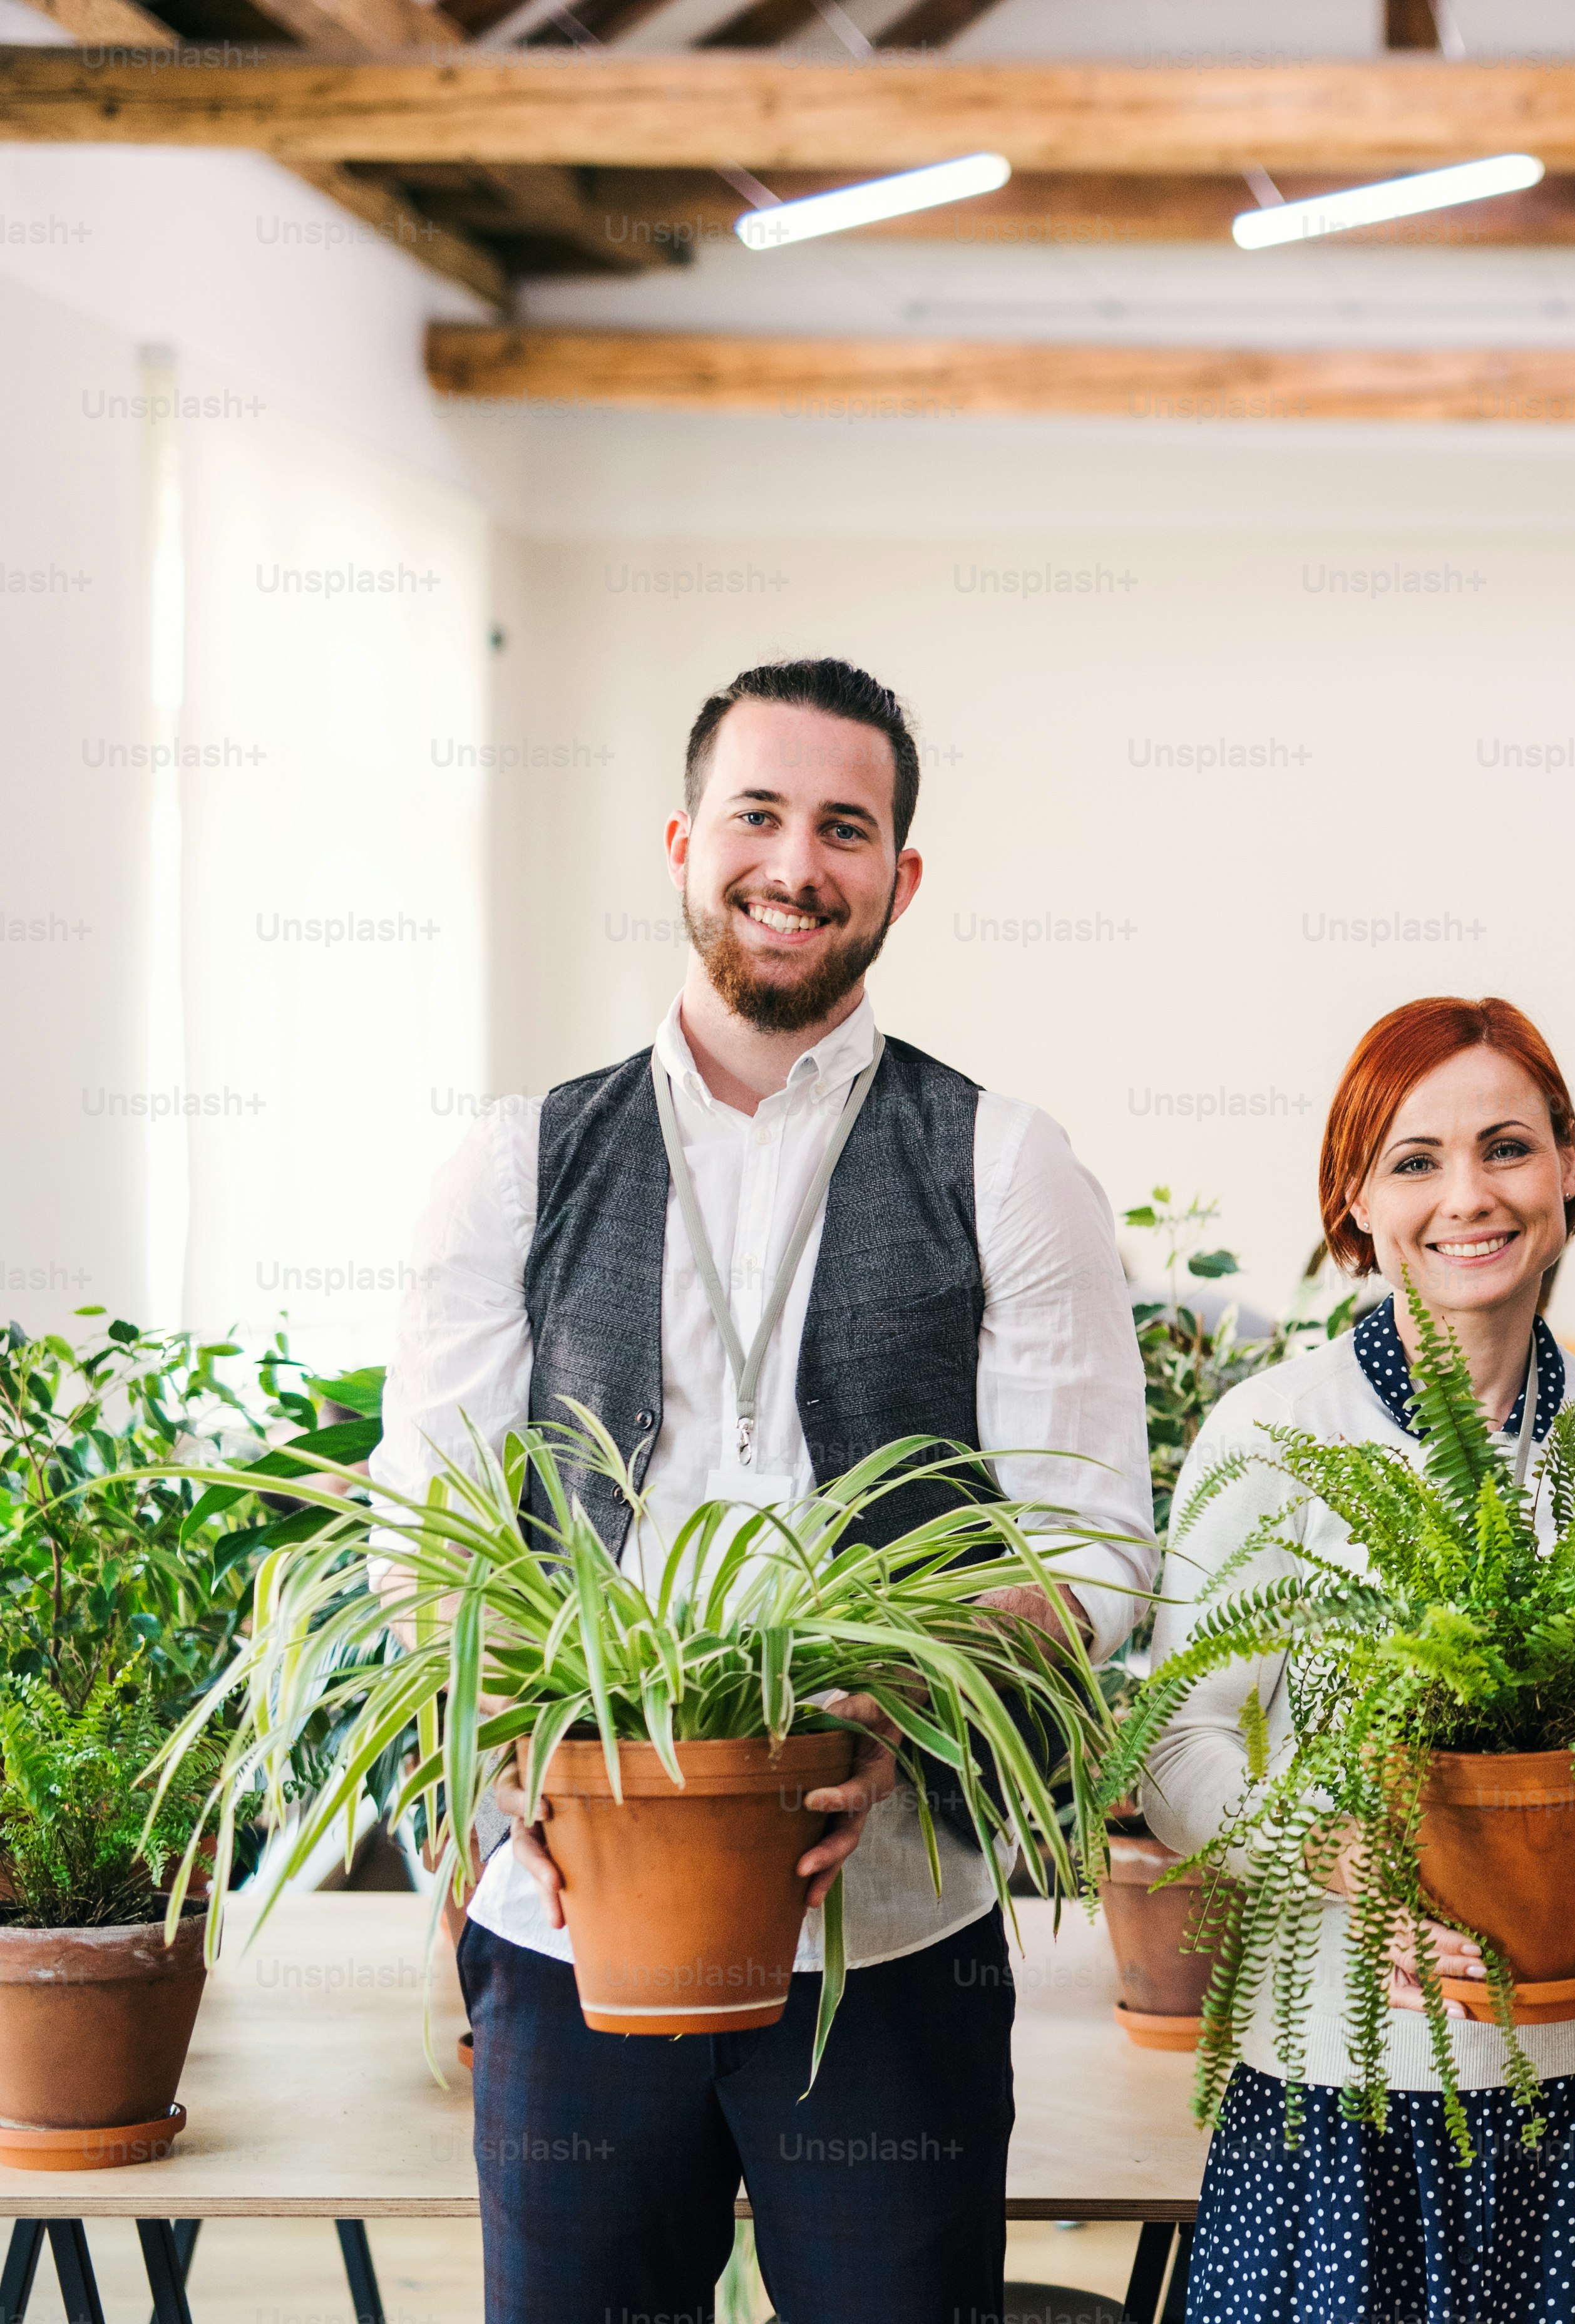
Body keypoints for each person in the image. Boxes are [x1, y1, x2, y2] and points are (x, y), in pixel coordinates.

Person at [381, 657, 1156, 2324]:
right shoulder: (514, 1162)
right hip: (567, 1926)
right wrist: (517, 1739)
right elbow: (425, 1534)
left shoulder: (1006, 1161)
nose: (796, 863)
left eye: (846, 828)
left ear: (902, 877)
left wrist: (891, 1705)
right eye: (758, 814)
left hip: (889, 1941)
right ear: (680, 843)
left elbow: (1091, 1551)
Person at [1144, 996, 1575, 2324]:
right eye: (1414, 1159)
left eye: (1508, 1146)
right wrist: (1340, 1853)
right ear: (1354, 1200)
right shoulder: (1274, 1428)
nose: (1469, 1194)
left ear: (1568, 1169)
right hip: (1335, 2100)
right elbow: (1177, 1743)